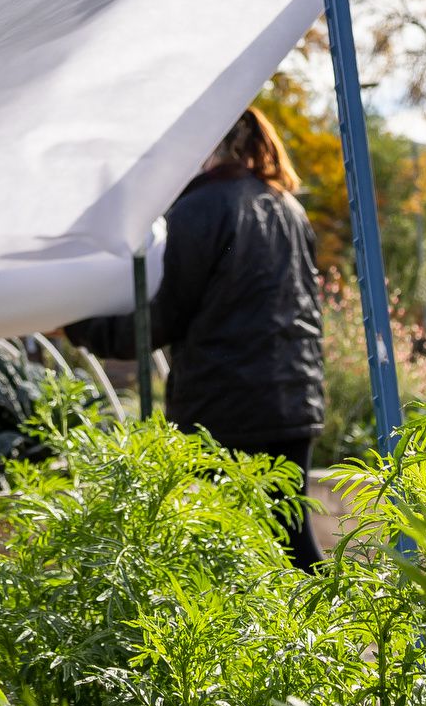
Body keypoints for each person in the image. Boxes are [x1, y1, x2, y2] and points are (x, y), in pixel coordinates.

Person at [68, 106, 328, 567]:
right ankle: (338, 633)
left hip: (226, 408)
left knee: (233, 552)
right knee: (291, 541)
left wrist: (80, 326)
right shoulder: (289, 208)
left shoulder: (199, 209)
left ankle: (317, 637)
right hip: (293, 400)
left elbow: (162, 317)